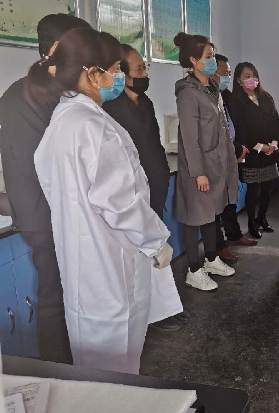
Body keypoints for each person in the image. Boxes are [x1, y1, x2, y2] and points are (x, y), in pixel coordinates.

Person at [30, 27, 173, 374]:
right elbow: (122, 204)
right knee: (117, 365)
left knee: (92, 363)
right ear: (93, 74)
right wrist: (156, 243)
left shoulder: (62, 122)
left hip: (82, 265)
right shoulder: (96, 128)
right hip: (111, 267)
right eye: (116, 69)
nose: (119, 77)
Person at [0, 13, 91, 364]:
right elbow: (41, 165)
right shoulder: (23, 95)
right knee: (55, 296)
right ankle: (62, 373)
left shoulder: (62, 90)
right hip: (45, 214)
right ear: (56, 48)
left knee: (76, 294)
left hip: (65, 208)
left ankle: (85, 366)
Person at [103, 44, 186, 332]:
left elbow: (154, 144)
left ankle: (163, 310)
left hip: (155, 188)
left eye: (144, 68)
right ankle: (149, 315)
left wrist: (162, 176)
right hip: (133, 195)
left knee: (157, 251)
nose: (144, 74)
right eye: (138, 69)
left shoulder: (145, 102)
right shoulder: (110, 109)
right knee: (139, 256)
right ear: (122, 74)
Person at [173, 33, 238, 292]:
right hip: (197, 168)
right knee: (194, 218)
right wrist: (199, 173)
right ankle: (193, 270)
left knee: (211, 214)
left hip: (215, 164)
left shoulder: (212, 89)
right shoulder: (188, 93)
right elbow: (190, 138)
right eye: (208, 57)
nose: (213, 61)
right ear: (193, 60)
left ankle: (211, 260)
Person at [210, 54, 257, 263]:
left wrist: (241, 149)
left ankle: (234, 234)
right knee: (215, 205)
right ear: (212, 72)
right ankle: (218, 246)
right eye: (224, 72)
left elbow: (238, 125)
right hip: (217, 158)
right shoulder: (207, 97)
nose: (227, 76)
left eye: (229, 73)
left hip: (234, 155)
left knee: (231, 199)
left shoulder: (228, 96)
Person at [231, 62, 279, 239]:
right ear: (238, 80)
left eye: (253, 75)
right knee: (253, 190)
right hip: (252, 153)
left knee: (267, 189)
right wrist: (261, 146)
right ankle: (252, 222)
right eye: (247, 76)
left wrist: (273, 144)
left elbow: (276, 122)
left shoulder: (266, 97)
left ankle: (262, 218)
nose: (252, 79)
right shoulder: (236, 102)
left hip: (270, 152)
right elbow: (241, 130)